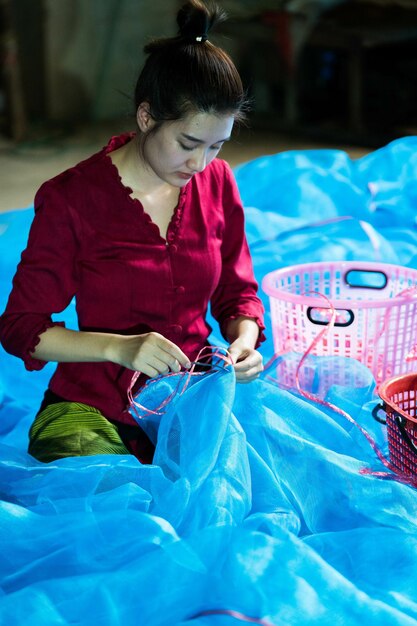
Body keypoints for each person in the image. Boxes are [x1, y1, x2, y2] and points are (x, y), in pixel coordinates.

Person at [0, 0, 265, 464]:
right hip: (92, 409)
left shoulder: (217, 182)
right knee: (117, 504)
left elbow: (236, 291)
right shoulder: (73, 199)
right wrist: (120, 348)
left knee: (242, 484)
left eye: (216, 146)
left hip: (189, 400)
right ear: (146, 117)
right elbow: (21, 328)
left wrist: (243, 339)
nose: (199, 164)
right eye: (187, 144)